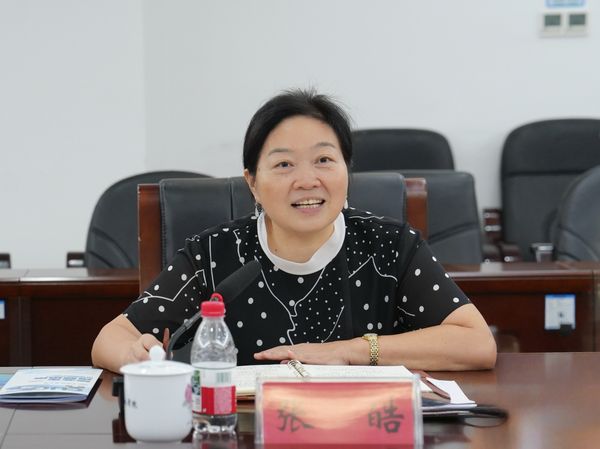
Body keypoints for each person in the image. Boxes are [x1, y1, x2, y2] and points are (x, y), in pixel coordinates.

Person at [92, 89, 496, 373]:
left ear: (346, 170)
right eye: (284, 165)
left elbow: (476, 343)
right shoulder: (213, 254)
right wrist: (136, 356)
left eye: (324, 160)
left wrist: (352, 351)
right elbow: (110, 339)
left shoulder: (390, 247)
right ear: (253, 183)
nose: (307, 180)